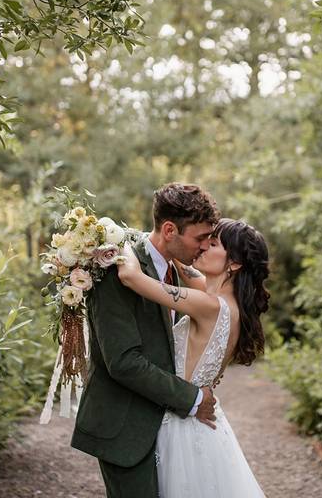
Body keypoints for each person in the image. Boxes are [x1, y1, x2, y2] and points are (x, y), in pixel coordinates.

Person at [71, 183, 221, 498]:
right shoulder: (114, 268)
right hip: (126, 426)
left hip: (167, 427)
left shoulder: (179, 270)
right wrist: (192, 398)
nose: (206, 246)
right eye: (200, 238)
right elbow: (123, 362)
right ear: (170, 230)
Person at [117, 217, 271, 498]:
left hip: (180, 426)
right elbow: (182, 264)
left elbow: (130, 277)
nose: (202, 248)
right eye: (202, 240)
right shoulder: (225, 303)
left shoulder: (208, 305)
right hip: (203, 425)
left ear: (234, 264)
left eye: (212, 244)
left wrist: (117, 238)